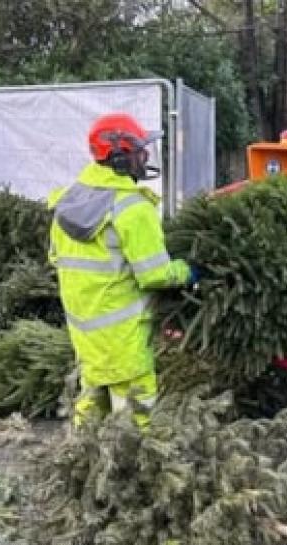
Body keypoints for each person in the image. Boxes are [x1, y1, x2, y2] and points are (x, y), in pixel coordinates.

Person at [47, 112, 198, 430]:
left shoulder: (68, 201)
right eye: (140, 150)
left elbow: (56, 258)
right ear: (119, 156)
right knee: (135, 409)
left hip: (84, 327)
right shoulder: (133, 209)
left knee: (91, 395)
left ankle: (79, 458)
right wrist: (188, 271)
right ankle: (137, 468)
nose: (145, 158)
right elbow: (155, 274)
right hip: (124, 332)